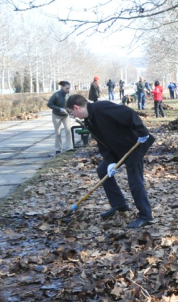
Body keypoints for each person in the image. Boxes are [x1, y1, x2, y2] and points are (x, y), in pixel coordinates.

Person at [66, 94, 155, 228]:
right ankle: (119, 204)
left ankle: (145, 215)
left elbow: (129, 114)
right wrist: (111, 161)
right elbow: (102, 142)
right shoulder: (89, 120)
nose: (72, 116)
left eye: (71, 112)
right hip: (117, 149)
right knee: (102, 170)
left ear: (76, 107)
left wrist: (143, 133)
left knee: (135, 181)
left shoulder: (102, 108)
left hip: (134, 145)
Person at [47, 80, 74, 155]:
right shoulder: (56, 95)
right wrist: (59, 109)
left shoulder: (69, 95)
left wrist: (70, 111)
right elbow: (49, 104)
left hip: (66, 116)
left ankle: (69, 147)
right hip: (56, 115)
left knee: (68, 131)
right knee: (58, 132)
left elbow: (71, 105)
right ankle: (58, 149)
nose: (68, 90)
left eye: (69, 88)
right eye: (66, 88)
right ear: (62, 87)